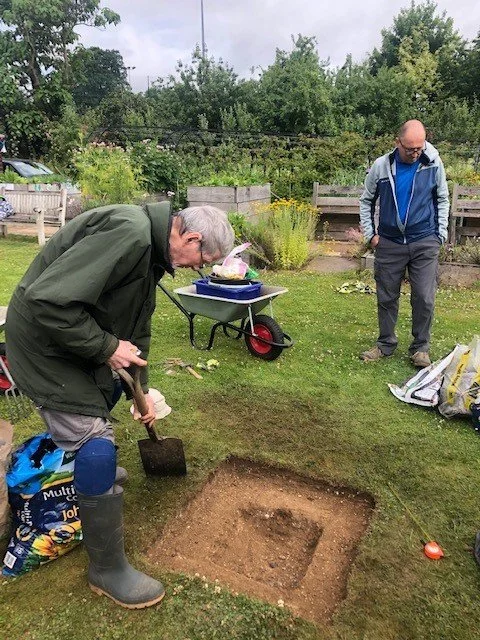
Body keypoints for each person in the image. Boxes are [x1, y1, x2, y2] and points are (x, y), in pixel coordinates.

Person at [5, 201, 234, 608]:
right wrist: (107, 347)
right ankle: (106, 570)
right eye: (203, 261)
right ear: (191, 237)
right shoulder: (130, 233)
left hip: (72, 339)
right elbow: (47, 302)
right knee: (96, 445)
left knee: (108, 391)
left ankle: (94, 477)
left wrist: (139, 392)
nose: (196, 268)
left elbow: (136, 331)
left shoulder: (152, 252)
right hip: (43, 346)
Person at [359, 119, 449, 368]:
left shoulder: (433, 163)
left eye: (419, 147)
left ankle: (420, 348)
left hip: (424, 241)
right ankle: (385, 344)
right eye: (410, 149)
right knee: (387, 297)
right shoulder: (381, 166)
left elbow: (442, 198)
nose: (415, 153)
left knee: (424, 297)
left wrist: (439, 235)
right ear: (397, 142)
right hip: (390, 243)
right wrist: (371, 235)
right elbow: (366, 200)